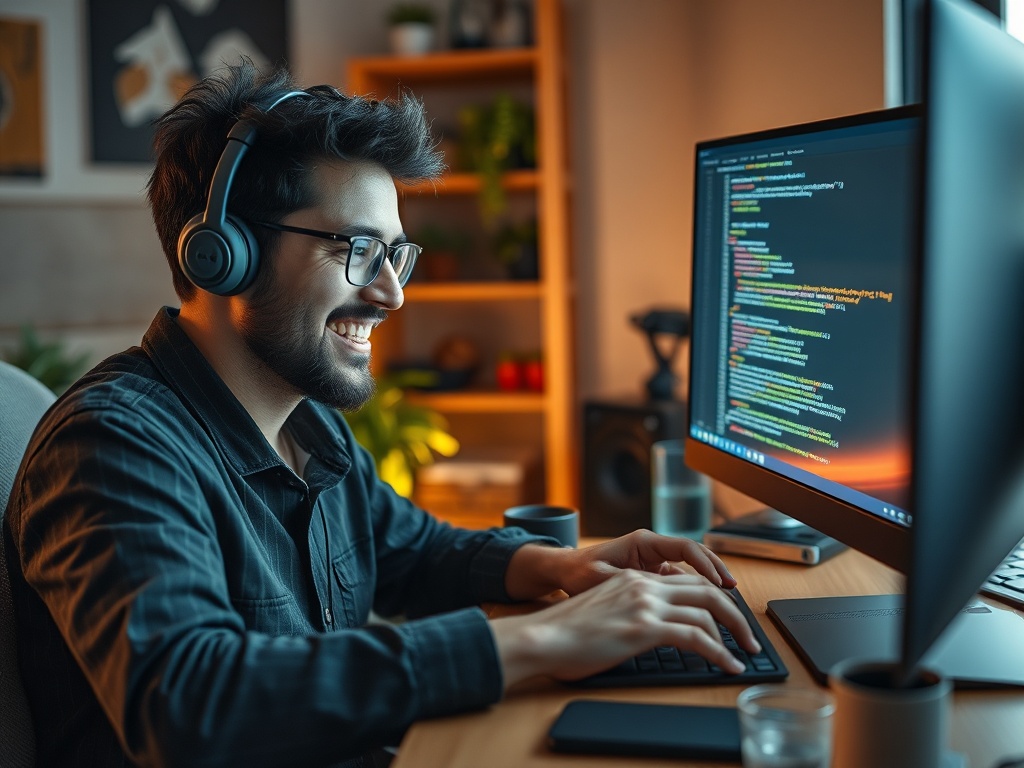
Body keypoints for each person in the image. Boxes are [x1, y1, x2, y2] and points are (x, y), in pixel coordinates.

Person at [2, 61, 759, 768]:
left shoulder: (305, 425)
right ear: (223, 253)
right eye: (360, 249)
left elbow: (410, 550)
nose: (392, 293)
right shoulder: (114, 444)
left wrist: (557, 567)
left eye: (397, 254)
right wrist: (545, 639)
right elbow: (189, 702)